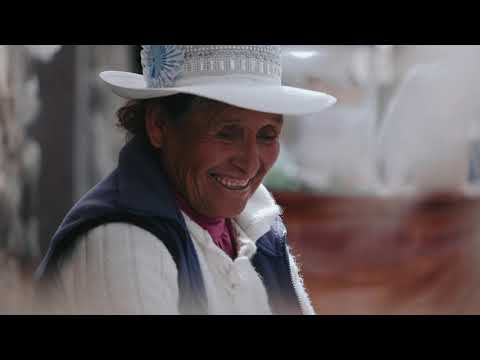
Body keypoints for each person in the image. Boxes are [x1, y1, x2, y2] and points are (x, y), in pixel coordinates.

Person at [35, 45, 336, 315]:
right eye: (227, 132)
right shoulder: (123, 245)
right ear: (159, 125)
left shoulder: (258, 228)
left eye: (267, 135)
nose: (250, 161)